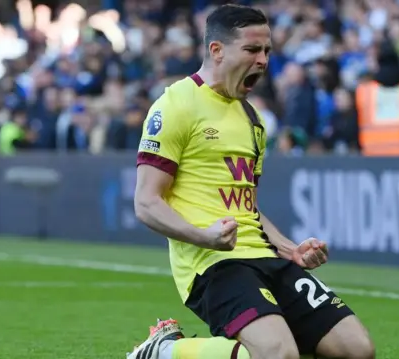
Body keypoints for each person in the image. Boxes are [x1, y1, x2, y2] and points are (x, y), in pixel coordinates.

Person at [130, 4, 374, 359]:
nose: (262, 60)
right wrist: (204, 237)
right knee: (279, 354)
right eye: (251, 49)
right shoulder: (176, 104)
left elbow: (247, 205)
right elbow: (146, 202)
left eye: (267, 51)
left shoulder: (253, 117)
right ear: (217, 50)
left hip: (265, 256)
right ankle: (167, 350)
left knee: (357, 349)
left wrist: (290, 249)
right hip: (213, 263)